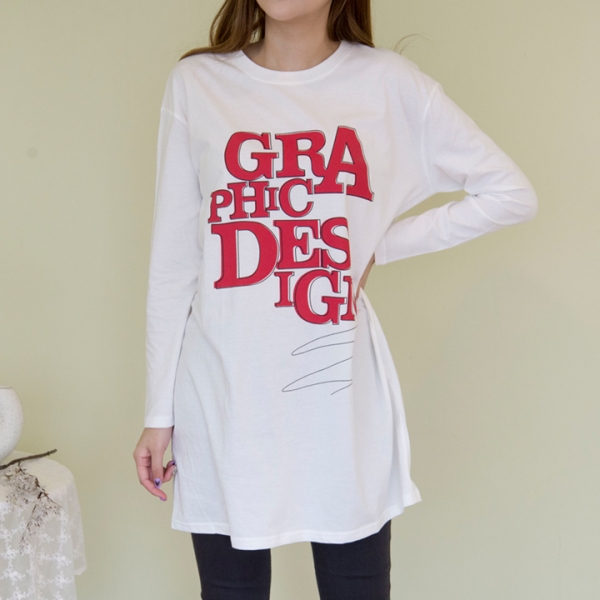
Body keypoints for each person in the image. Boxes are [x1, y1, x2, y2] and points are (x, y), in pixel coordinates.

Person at [133, 0, 538, 598]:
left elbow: (509, 193)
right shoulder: (197, 84)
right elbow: (174, 264)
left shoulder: (386, 83)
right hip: (223, 391)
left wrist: (378, 247)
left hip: (337, 397)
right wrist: (157, 414)